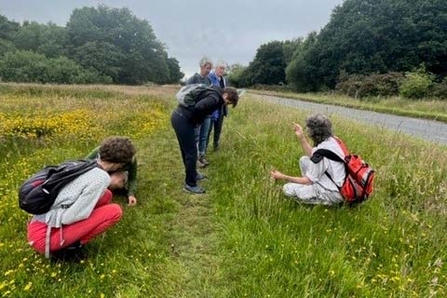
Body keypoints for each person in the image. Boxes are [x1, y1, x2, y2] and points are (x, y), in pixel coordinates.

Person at [27, 136, 136, 261]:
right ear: (119, 165)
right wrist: (88, 213)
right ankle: (68, 249)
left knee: (107, 195)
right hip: (45, 238)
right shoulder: (101, 177)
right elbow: (69, 218)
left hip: (38, 224)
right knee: (115, 211)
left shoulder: (85, 164)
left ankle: (68, 240)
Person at [171, 85, 239, 194]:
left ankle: (193, 174)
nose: (227, 104)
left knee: (187, 151)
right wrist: (198, 121)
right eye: (229, 101)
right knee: (191, 153)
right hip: (182, 120)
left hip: (179, 117)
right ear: (225, 95)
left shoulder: (213, 93)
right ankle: (190, 184)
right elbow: (199, 107)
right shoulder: (215, 98)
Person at [270, 114, 346, 206]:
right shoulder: (334, 140)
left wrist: (283, 177)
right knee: (304, 160)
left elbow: (308, 181)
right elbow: (313, 155)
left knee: (287, 188)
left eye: (309, 129)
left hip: (334, 193)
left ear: (314, 133)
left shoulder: (320, 154)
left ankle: (329, 202)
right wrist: (301, 137)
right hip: (340, 183)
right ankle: (310, 191)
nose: (308, 132)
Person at [186, 56, 213, 168]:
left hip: (207, 113)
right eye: (207, 68)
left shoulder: (209, 80)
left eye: (210, 68)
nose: (209, 71)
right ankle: (195, 158)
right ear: (201, 66)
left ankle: (202, 156)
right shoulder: (192, 79)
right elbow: (186, 96)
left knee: (204, 136)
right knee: (195, 136)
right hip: (197, 113)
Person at [208, 60, 229, 152]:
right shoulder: (210, 77)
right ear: (216, 68)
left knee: (218, 129)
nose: (222, 70)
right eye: (220, 68)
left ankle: (216, 147)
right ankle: (203, 150)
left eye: (224, 69)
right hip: (212, 108)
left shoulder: (223, 79)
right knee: (208, 129)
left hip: (221, 107)